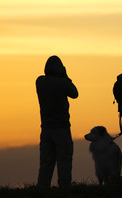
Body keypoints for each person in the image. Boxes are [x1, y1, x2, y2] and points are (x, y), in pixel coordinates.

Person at [36, 55, 79, 187]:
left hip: (46, 128)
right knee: (64, 160)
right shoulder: (62, 83)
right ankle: (64, 188)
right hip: (61, 128)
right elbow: (75, 93)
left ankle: (42, 188)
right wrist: (65, 76)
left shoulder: (40, 81)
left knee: (46, 162)